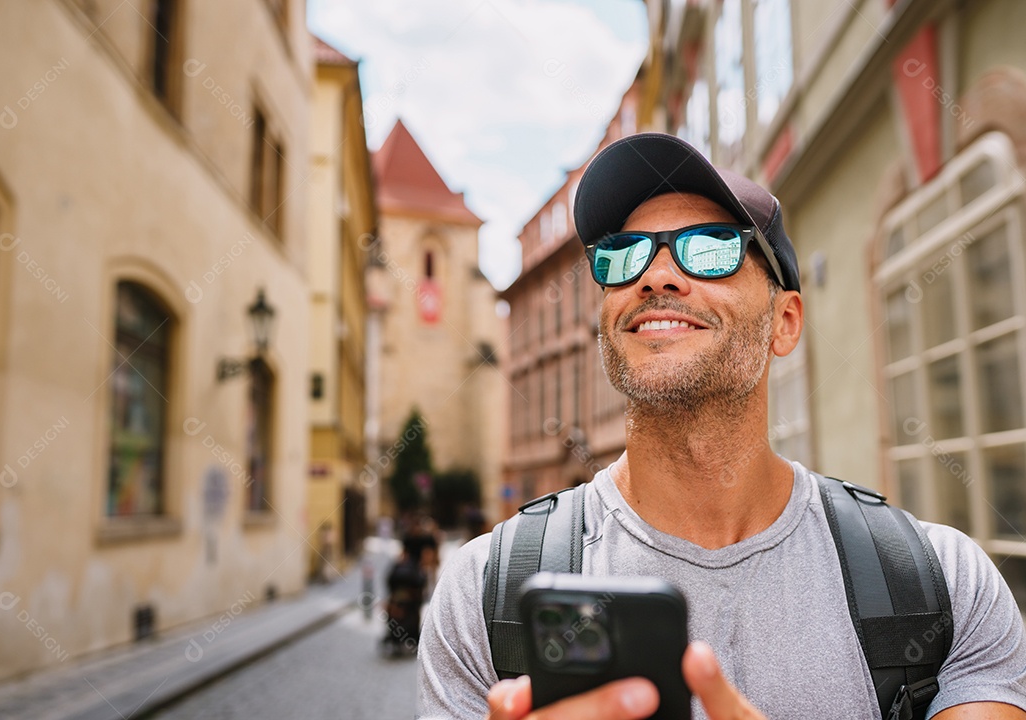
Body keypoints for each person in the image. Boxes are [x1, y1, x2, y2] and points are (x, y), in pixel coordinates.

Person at [416, 133, 1026, 719]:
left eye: (709, 248)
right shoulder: (485, 595)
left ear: (784, 322)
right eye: (624, 256)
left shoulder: (942, 586)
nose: (654, 276)